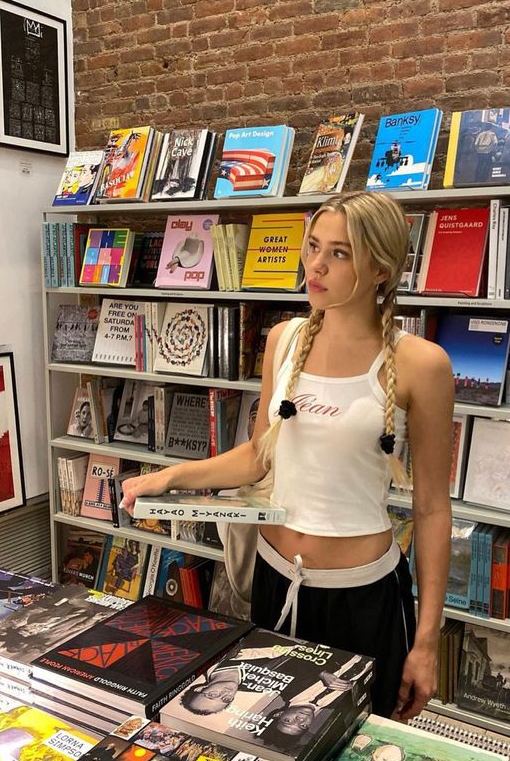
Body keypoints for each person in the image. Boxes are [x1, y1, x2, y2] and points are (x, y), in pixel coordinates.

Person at [122, 190, 454, 720]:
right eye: (313, 246)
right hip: (276, 580)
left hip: (363, 596)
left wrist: (428, 641)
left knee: (351, 748)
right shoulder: (284, 340)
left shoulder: (422, 364)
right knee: (266, 739)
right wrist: (172, 478)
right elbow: (260, 457)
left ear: (381, 272)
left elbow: (434, 509)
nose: (315, 266)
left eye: (340, 253)